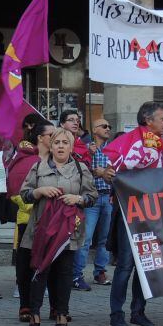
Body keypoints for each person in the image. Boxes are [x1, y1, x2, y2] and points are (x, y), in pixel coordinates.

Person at [19, 128, 96, 326]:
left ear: (71, 147)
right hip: (42, 229)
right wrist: (39, 191)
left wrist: (78, 199)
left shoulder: (81, 169)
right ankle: (35, 311)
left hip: (68, 231)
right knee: (39, 268)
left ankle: (61, 312)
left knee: (64, 272)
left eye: (65, 142)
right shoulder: (38, 167)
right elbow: (24, 194)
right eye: (57, 142)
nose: (60, 146)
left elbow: (91, 197)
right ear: (50, 146)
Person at [103, 101, 163, 326]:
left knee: (147, 264)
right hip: (129, 212)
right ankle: (116, 313)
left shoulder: (161, 146)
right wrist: (105, 173)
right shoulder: (131, 142)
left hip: (152, 214)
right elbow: (111, 167)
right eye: (162, 118)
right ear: (148, 120)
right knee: (126, 264)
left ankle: (138, 312)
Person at [10, 120, 55, 321]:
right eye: (51, 134)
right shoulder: (25, 159)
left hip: (54, 219)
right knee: (26, 264)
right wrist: (36, 204)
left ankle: (57, 306)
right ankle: (26, 306)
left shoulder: (61, 159)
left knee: (56, 263)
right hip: (28, 219)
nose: (56, 138)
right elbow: (14, 191)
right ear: (40, 138)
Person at [72, 115, 114, 291]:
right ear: (95, 129)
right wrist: (94, 169)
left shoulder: (113, 150)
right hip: (92, 198)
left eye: (109, 126)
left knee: (104, 239)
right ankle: (77, 274)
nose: (108, 129)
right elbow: (79, 170)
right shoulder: (86, 147)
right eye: (104, 126)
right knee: (85, 238)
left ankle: (100, 271)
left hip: (108, 197)